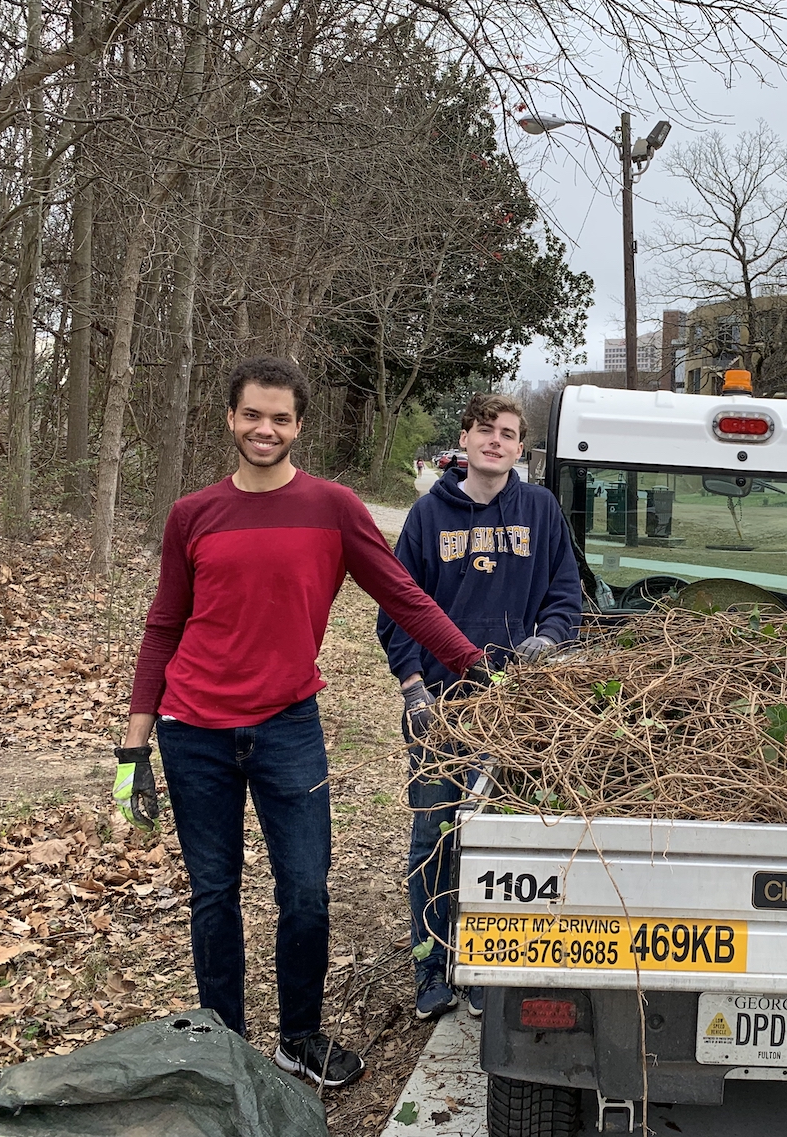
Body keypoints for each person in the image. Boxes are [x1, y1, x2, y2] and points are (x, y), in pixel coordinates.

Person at [117, 355, 487, 1090]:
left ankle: (298, 1037)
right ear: (231, 418)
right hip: (194, 730)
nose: (265, 428)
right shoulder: (193, 514)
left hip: (289, 726)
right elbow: (163, 627)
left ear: (299, 426)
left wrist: (479, 669)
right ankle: (223, 1046)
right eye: (252, 414)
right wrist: (133, 748)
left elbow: (404, 598)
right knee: (215, 892)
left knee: (307, 892)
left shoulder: (334, 507)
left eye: (280, 417)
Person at [377, 392, 582, 1023]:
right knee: (433, 838)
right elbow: (396, 607)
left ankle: (491, 969)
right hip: (440, 706)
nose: (496, 441)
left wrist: (546, 641)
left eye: (509, 433)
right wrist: (414, 691)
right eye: (485, 430)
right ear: (463, 439)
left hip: (517, 707)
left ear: (522, 448)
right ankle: (432, 968)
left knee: (502, 844)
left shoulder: (540, 510)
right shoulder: (427, 517)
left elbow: (566, 594)